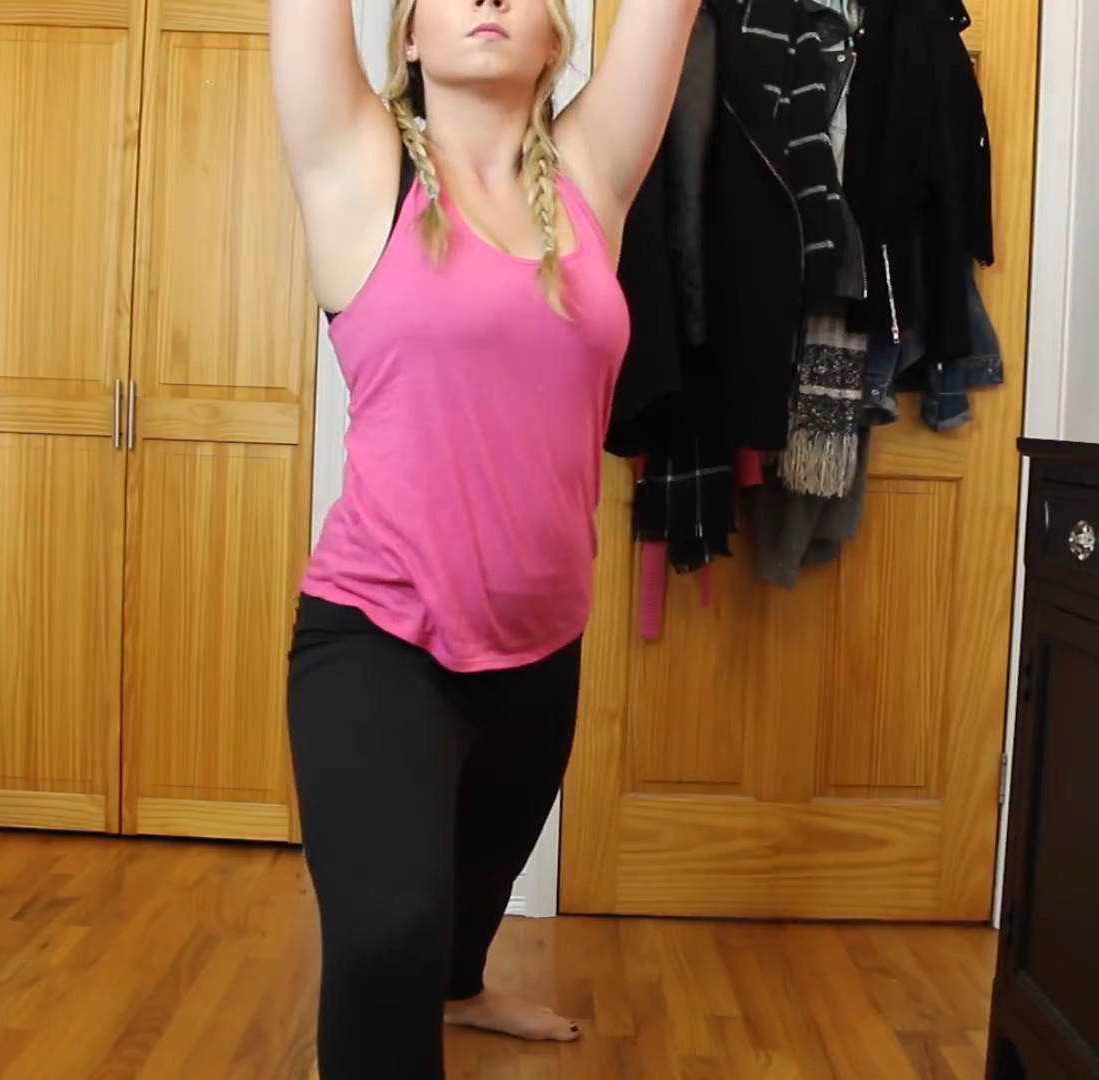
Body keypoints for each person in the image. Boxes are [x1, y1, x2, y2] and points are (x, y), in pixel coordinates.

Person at [267, 0, 697, 1071]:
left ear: (557, 39)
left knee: (473, 887)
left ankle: (462, 992)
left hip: (542, 645)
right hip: (379, 635)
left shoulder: (593, 176)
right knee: (389, 929)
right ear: (408, 35)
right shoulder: (359, 168)